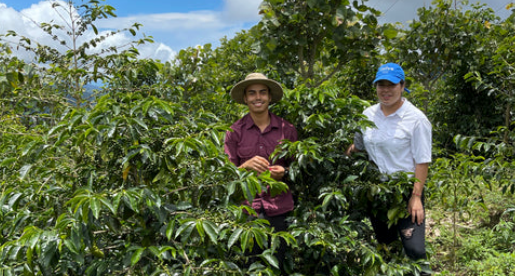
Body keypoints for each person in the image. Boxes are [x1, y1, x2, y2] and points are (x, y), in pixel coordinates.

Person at [346, 63, 432, 271]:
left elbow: (422, 160)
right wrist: (341, 156)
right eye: (381, 85)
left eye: (391, 85)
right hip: (377, 191)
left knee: (415, 250)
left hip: (405, 191)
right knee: (386, 248)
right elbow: (358, 145)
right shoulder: (367, 114)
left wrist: (416, 197)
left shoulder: (416, 119)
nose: (386, 90)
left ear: (402, 86)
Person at [224, 72, 298, 273]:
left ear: (270, 97)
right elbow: (226, 175)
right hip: (248, 210)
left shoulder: (287, 129)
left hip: (279, 208)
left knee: (278, 265)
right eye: (252, 93)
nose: (258, 97)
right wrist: (245, 167)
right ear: (246, 98)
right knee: (251, 265)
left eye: (262, 92)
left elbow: (298, 169)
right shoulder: (234, 132)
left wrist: (285, 172)